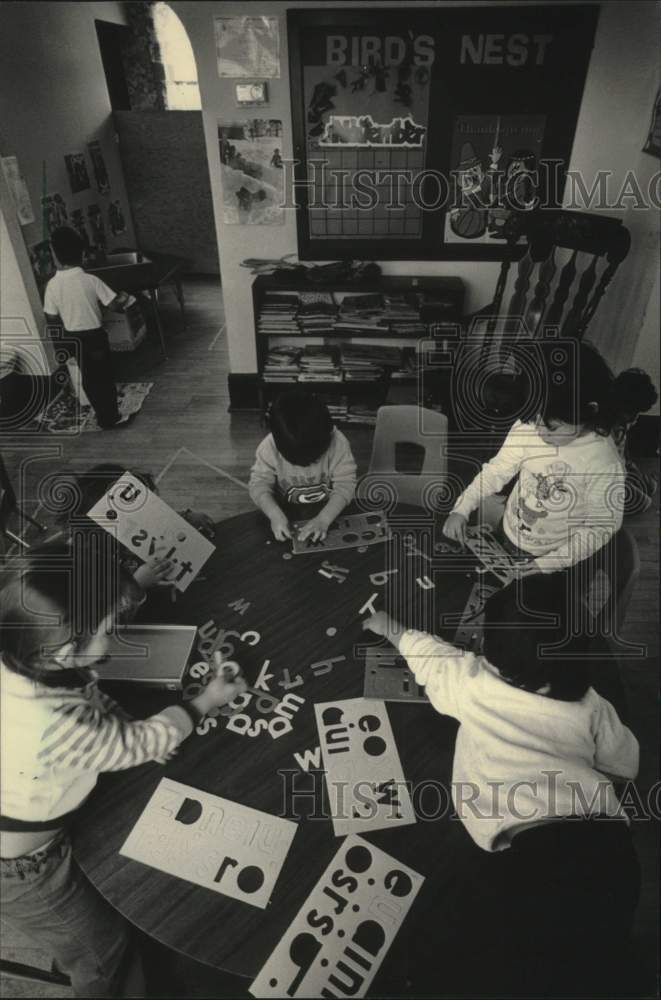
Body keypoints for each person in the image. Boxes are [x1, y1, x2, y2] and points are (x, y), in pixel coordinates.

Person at [363, 572, 640, 996]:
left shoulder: (473, 682)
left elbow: (428, 655)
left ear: (489, 654)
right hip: (611, 850)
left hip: (524, 866)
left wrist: (389, 627)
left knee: (480, 960)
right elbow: (627, 764)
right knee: (597, 944)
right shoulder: (591, 705)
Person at [0, 540, 246, 998]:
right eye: (110, 629)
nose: (115, 636)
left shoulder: (25, 650)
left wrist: (129, 589)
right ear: (62, 650)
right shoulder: (56, 724)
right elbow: (136, 744)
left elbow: (83, 677)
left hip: (23, 817)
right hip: (24, 871)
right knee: (101, 952)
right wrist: (206, 701)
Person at [444, 341, 629, 576]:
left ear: (590, 410)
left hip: (555, 558)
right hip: (507, 532)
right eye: (535, 418)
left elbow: (601, 526)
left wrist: (549, 564)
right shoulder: (529, 426)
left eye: (552, 427)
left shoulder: (603, 461)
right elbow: (497, 470)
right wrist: (462, 508)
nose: (540, 432)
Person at [47, 462, 216, 595]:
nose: (144, 517)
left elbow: (156, 519)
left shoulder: (126, 520)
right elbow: (98, 610)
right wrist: (135, 585)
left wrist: (184, 517)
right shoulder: (85, 558)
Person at [44, 227, 133, 429]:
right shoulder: (91, 280)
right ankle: (109, 418)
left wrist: (61, 345)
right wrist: (124, 296)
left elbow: (51, 316)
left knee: (89, 377)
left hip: (72, 338)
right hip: (94, 337)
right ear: (82, 254)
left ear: (55, 256)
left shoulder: (52, 285)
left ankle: (100, 413)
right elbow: (115, 307)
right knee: (103, 376)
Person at [249, 389, 357, 542]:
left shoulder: (338, 443)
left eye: (316, 458)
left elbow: (345, 485)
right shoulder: (268, 448)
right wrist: (274, 514)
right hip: (284, 512)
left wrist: (324, 519)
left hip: (329, 509)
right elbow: (259, 485)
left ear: (328, 432)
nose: (308, 465)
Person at [611, 367, 658, 515]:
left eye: (638, 413)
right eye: (631, 412)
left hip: (621, 469)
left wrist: (631, 469)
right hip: (604, 477)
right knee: (644, 502)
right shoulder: (606, 425)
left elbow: (624, 454)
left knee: (651, 486)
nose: (634, 418)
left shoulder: (625, 422)